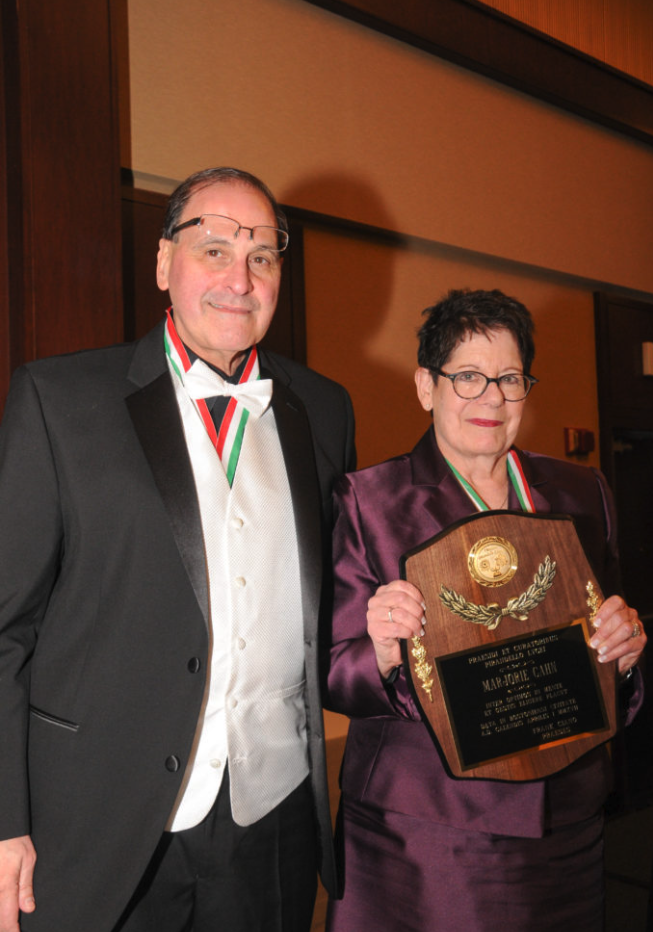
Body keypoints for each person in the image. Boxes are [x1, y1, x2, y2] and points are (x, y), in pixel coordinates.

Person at [0, 167, 355, 932]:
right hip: (99, 820)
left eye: (261, 256)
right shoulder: (57, 400)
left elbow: (327, 601)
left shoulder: (324, 409)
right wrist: (4, 820)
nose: (240, 279)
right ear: (164, 264)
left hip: (274, 820)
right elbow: (5, 629)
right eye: (214, 250)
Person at [325, 288, 645, 932]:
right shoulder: (369, 501)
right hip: (425, 833)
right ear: (427, 386)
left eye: (510, 379)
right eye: (468, 377)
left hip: (568, 824)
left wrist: (626, 653)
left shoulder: (581, 492)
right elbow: (332, 671)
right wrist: (380, 650)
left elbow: (606, 655)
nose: (491, 399)